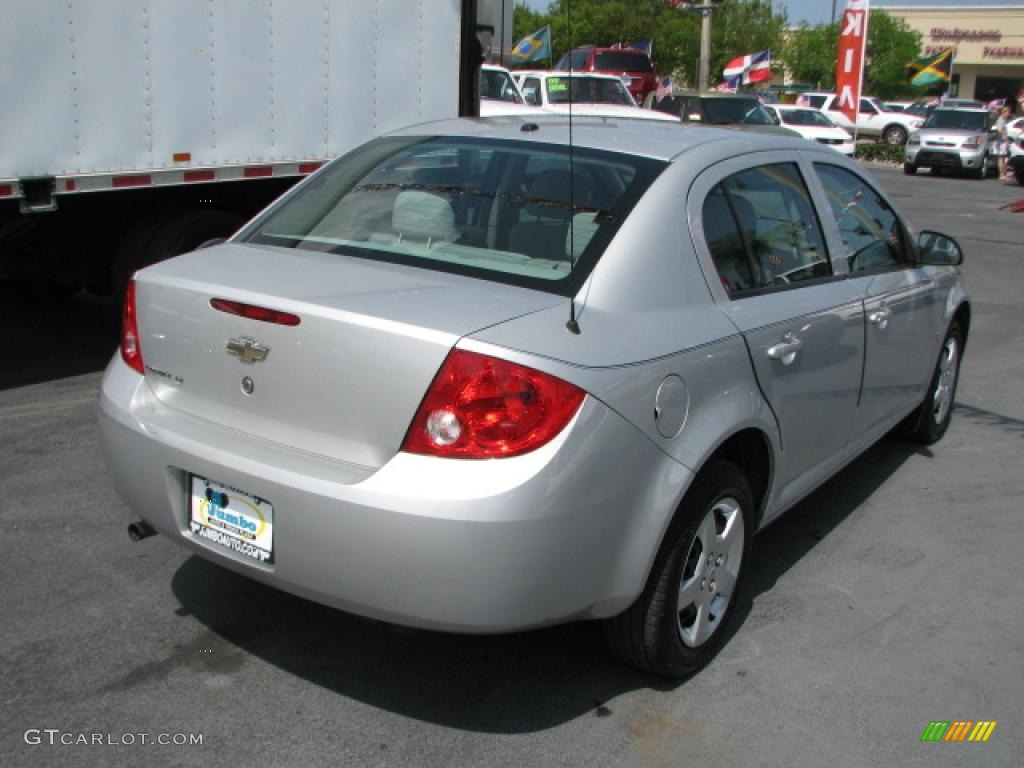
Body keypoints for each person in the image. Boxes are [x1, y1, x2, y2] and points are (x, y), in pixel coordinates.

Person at [995, 105, 1012, 181]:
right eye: (1007, 111)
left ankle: (1005, 174)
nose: (1008, 113)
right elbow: (999, 131)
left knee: (1005, 158)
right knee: (1001, 158)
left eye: (1009, 111)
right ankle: (1001, 175)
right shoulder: (1001, 120)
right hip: (1002, 141)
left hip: (1005, 141)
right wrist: (1004, 137)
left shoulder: (1006, 120)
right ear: (1003, 112)